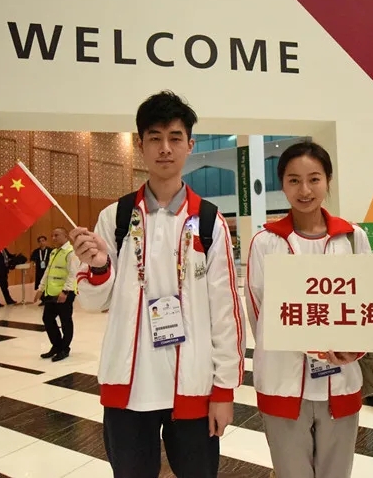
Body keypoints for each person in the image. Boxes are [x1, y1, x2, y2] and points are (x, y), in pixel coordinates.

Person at [69, 91, 245, 478]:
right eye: (155, 138)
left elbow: (226, 312)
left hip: (193, 384)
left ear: (190, 145)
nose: (165, 148)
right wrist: (99, 267)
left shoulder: (208, 220)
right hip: (128, 386)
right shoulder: (115, 217)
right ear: (140, 145)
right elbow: (91, 302)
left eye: (175, 138)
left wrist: (224, 390)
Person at [245, 142, 370, 478]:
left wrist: (352, 347)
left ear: (328, 180)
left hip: (341, 380)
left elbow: (365, 306)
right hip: (282, 384)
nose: (304, 190)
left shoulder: (353, 238)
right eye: (294, 180)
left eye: (314, 179)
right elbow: (259, 314)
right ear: (282, 184)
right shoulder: (266, 242)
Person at [35, 227, 79, 362]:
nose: (53, 238)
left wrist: (65, 291)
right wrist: (40, 289)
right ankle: (57, 345)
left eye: (57, 235)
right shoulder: (53, 252)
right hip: (51, 293)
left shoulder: (71, 252)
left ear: (65, 236)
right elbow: (48, 271)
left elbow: (73, 273)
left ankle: (65, 348)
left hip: (65, 293)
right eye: (52, 235)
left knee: (65, 321)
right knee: (47, 319)